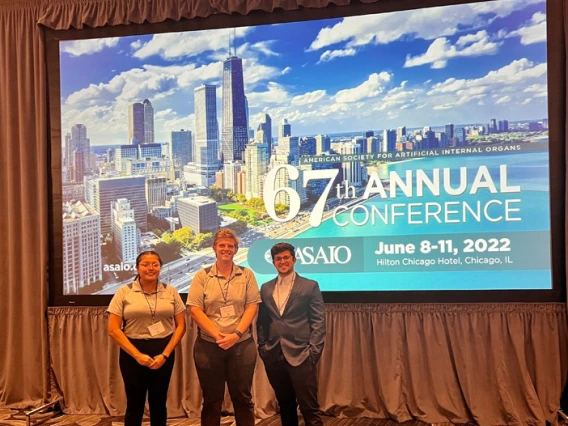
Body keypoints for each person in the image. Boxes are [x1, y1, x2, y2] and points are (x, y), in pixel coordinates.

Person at [187, 229, 260, 426]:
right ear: (214, 248)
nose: (226, 249)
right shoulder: (202, 276)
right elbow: (195, 309)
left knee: (243, 398)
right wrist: (218, 335)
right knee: (211, 400)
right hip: (209, 346)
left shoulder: (246, 274)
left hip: (242, 345)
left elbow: (251, 306)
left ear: (236, 249)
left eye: (230, 246)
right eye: (222, 245)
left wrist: (236, 335)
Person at [107, 251, 186, 426]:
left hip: (163, 351)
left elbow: (181, 326)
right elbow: (113, 329)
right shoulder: (124, 292)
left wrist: (165, 355)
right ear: (137, 267)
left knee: (159, 404)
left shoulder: (170, 290)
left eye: (155, 264)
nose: (151, 268)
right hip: (132, 352)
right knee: (134, 405)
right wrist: (137, 355)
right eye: (145, 264)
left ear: (160, 267)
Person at [256, 242, 326, 426]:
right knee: (285, 406)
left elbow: (318, 321)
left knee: (309, 408)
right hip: (274, 355)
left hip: (301, 355)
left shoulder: (310, 286)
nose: (282, 261)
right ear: (273, 263)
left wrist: (313, 352)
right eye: (278, 259)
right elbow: (262, 322)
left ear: (294, 260)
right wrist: (263, 347)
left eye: (286, 257)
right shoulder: (265, 288)